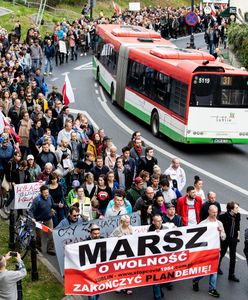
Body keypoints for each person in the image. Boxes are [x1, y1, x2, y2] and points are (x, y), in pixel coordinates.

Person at [192, 205, 226, 298]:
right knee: (206, 270)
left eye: (216, 212)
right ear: (209, 212)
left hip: (216, 250)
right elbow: (196, 237)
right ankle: (196, 279)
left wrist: (222, 231)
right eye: (213, 212)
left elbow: (223, 238)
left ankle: (212, 289)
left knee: (214, 270)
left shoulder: (219, 223)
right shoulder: (203, 223)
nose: (215, 214)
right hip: (206, 251)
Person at [28, 185, 56, 255]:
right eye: (44, 193)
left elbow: (52, 204)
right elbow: (30, 211)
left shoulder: (49, 197)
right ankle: (38, 246)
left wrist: (58, 205)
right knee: (39, 236)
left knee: (51, 234)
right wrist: (33, 218)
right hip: (39, 221)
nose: (46, 194)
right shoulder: (37, 200)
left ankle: (50, 249)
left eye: (47, 192)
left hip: (48, 219)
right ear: (41, 193)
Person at [218, 201, 241, 282]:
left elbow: (237, 226)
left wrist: (238, 236)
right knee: (222, 254)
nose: (238, 209)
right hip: (225, 239)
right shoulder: (223, 217)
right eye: (236, 208)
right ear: (231, 209)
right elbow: (218, 228)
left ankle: (231, 275)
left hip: (233, 239)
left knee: (233, 257)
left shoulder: (238, 215)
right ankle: (217, 268)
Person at [148, 215, 164, 300]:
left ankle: (159, 290)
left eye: (160, 220)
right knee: (156, 278)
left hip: (165, 258)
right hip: (154, 259)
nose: (160, 222)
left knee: (164, 277)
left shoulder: (166, 228)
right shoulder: (149, 231)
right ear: (153, 222)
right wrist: (154, 234)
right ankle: (157, 297)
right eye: (157, 221)